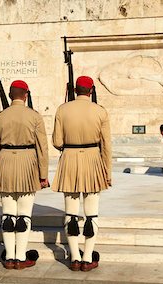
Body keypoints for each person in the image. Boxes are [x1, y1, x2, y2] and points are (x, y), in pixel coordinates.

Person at [52, 76, 112, 272]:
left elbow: (57, 141)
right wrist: (107, 172)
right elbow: (106, 145)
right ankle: (87, 257)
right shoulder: (100, 111)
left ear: (75, 90)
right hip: (93, 159)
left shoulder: (63, 109)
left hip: (69, 158)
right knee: (91, 213)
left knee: (71, 212)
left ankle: (75, 257)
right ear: (91, 90)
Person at [0, 80, 49, 270]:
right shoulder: (34, 116)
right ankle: (20, 257)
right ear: (26, 95)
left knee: (7, 213)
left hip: (5, 162)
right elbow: (42, 148)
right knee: (24, 214)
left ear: (10, 94)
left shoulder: (0, 117)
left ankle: (9, 256)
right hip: (27, 162)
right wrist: (43, 174)